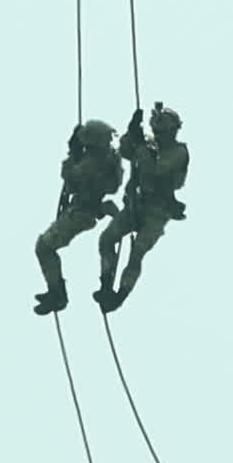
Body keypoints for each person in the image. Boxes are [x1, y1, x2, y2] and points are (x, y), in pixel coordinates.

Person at [94, 103, 188, 313]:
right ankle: (105, 285)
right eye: (157, 131)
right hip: (135, 205)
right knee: (106, 239)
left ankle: (121, 295)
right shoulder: (149, 145)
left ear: (173, 131)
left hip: (158, 211)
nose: (160, 135)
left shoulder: (179, 152)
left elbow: (157, 170)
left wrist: (141, 148)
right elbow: (125, 151)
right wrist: (132, 132)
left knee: (137, 253)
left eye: (164, 131)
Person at [29, 115, 126, 316]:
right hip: (87, 210)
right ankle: (60, 292)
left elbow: (71, 180)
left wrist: (72, 154)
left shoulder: (93, 162)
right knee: (47, 246)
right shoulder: (109, 160)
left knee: (44, 247)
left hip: (81, 212)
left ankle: (57, 293)